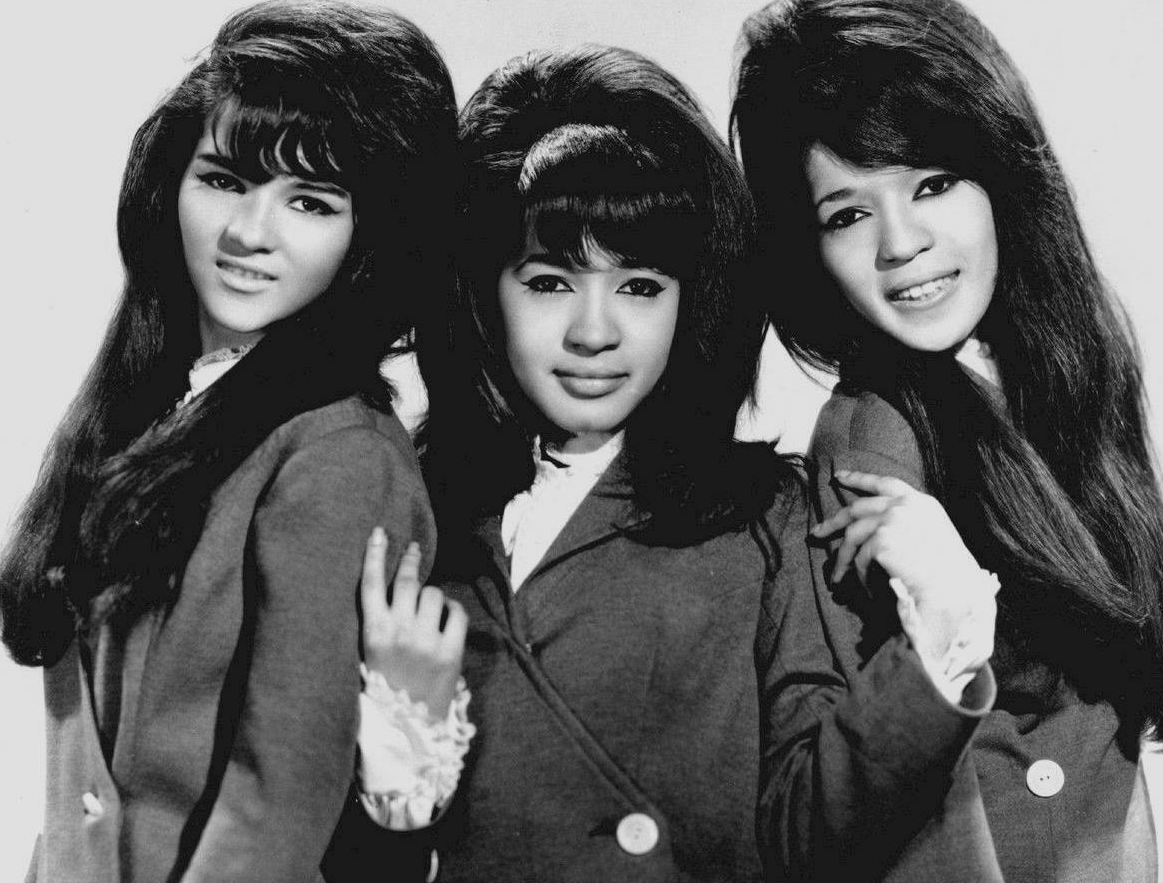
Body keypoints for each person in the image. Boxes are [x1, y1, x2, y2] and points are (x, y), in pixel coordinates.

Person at [730, 0, 1163, 881]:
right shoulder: (872, 442)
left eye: (932, 183)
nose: (900, 243)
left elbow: (1111, 728)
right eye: (847, 213)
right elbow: (909, 805)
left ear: (997, 173)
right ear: (810, 251)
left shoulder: (1060, 373)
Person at [0, 0, 457, 883]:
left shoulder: (339, 456)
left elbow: (276, 801)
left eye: (311, 201)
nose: (250, 234)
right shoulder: (146, 404)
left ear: (371, 238)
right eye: (224, 180)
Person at [336, 44, 810, 881]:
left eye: (640, 286)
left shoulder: (767, 521)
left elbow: (826, 827)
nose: (596, 333)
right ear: (483, 293)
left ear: (693, 299)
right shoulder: (401, 502)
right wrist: (400, 770)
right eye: (551, 281)